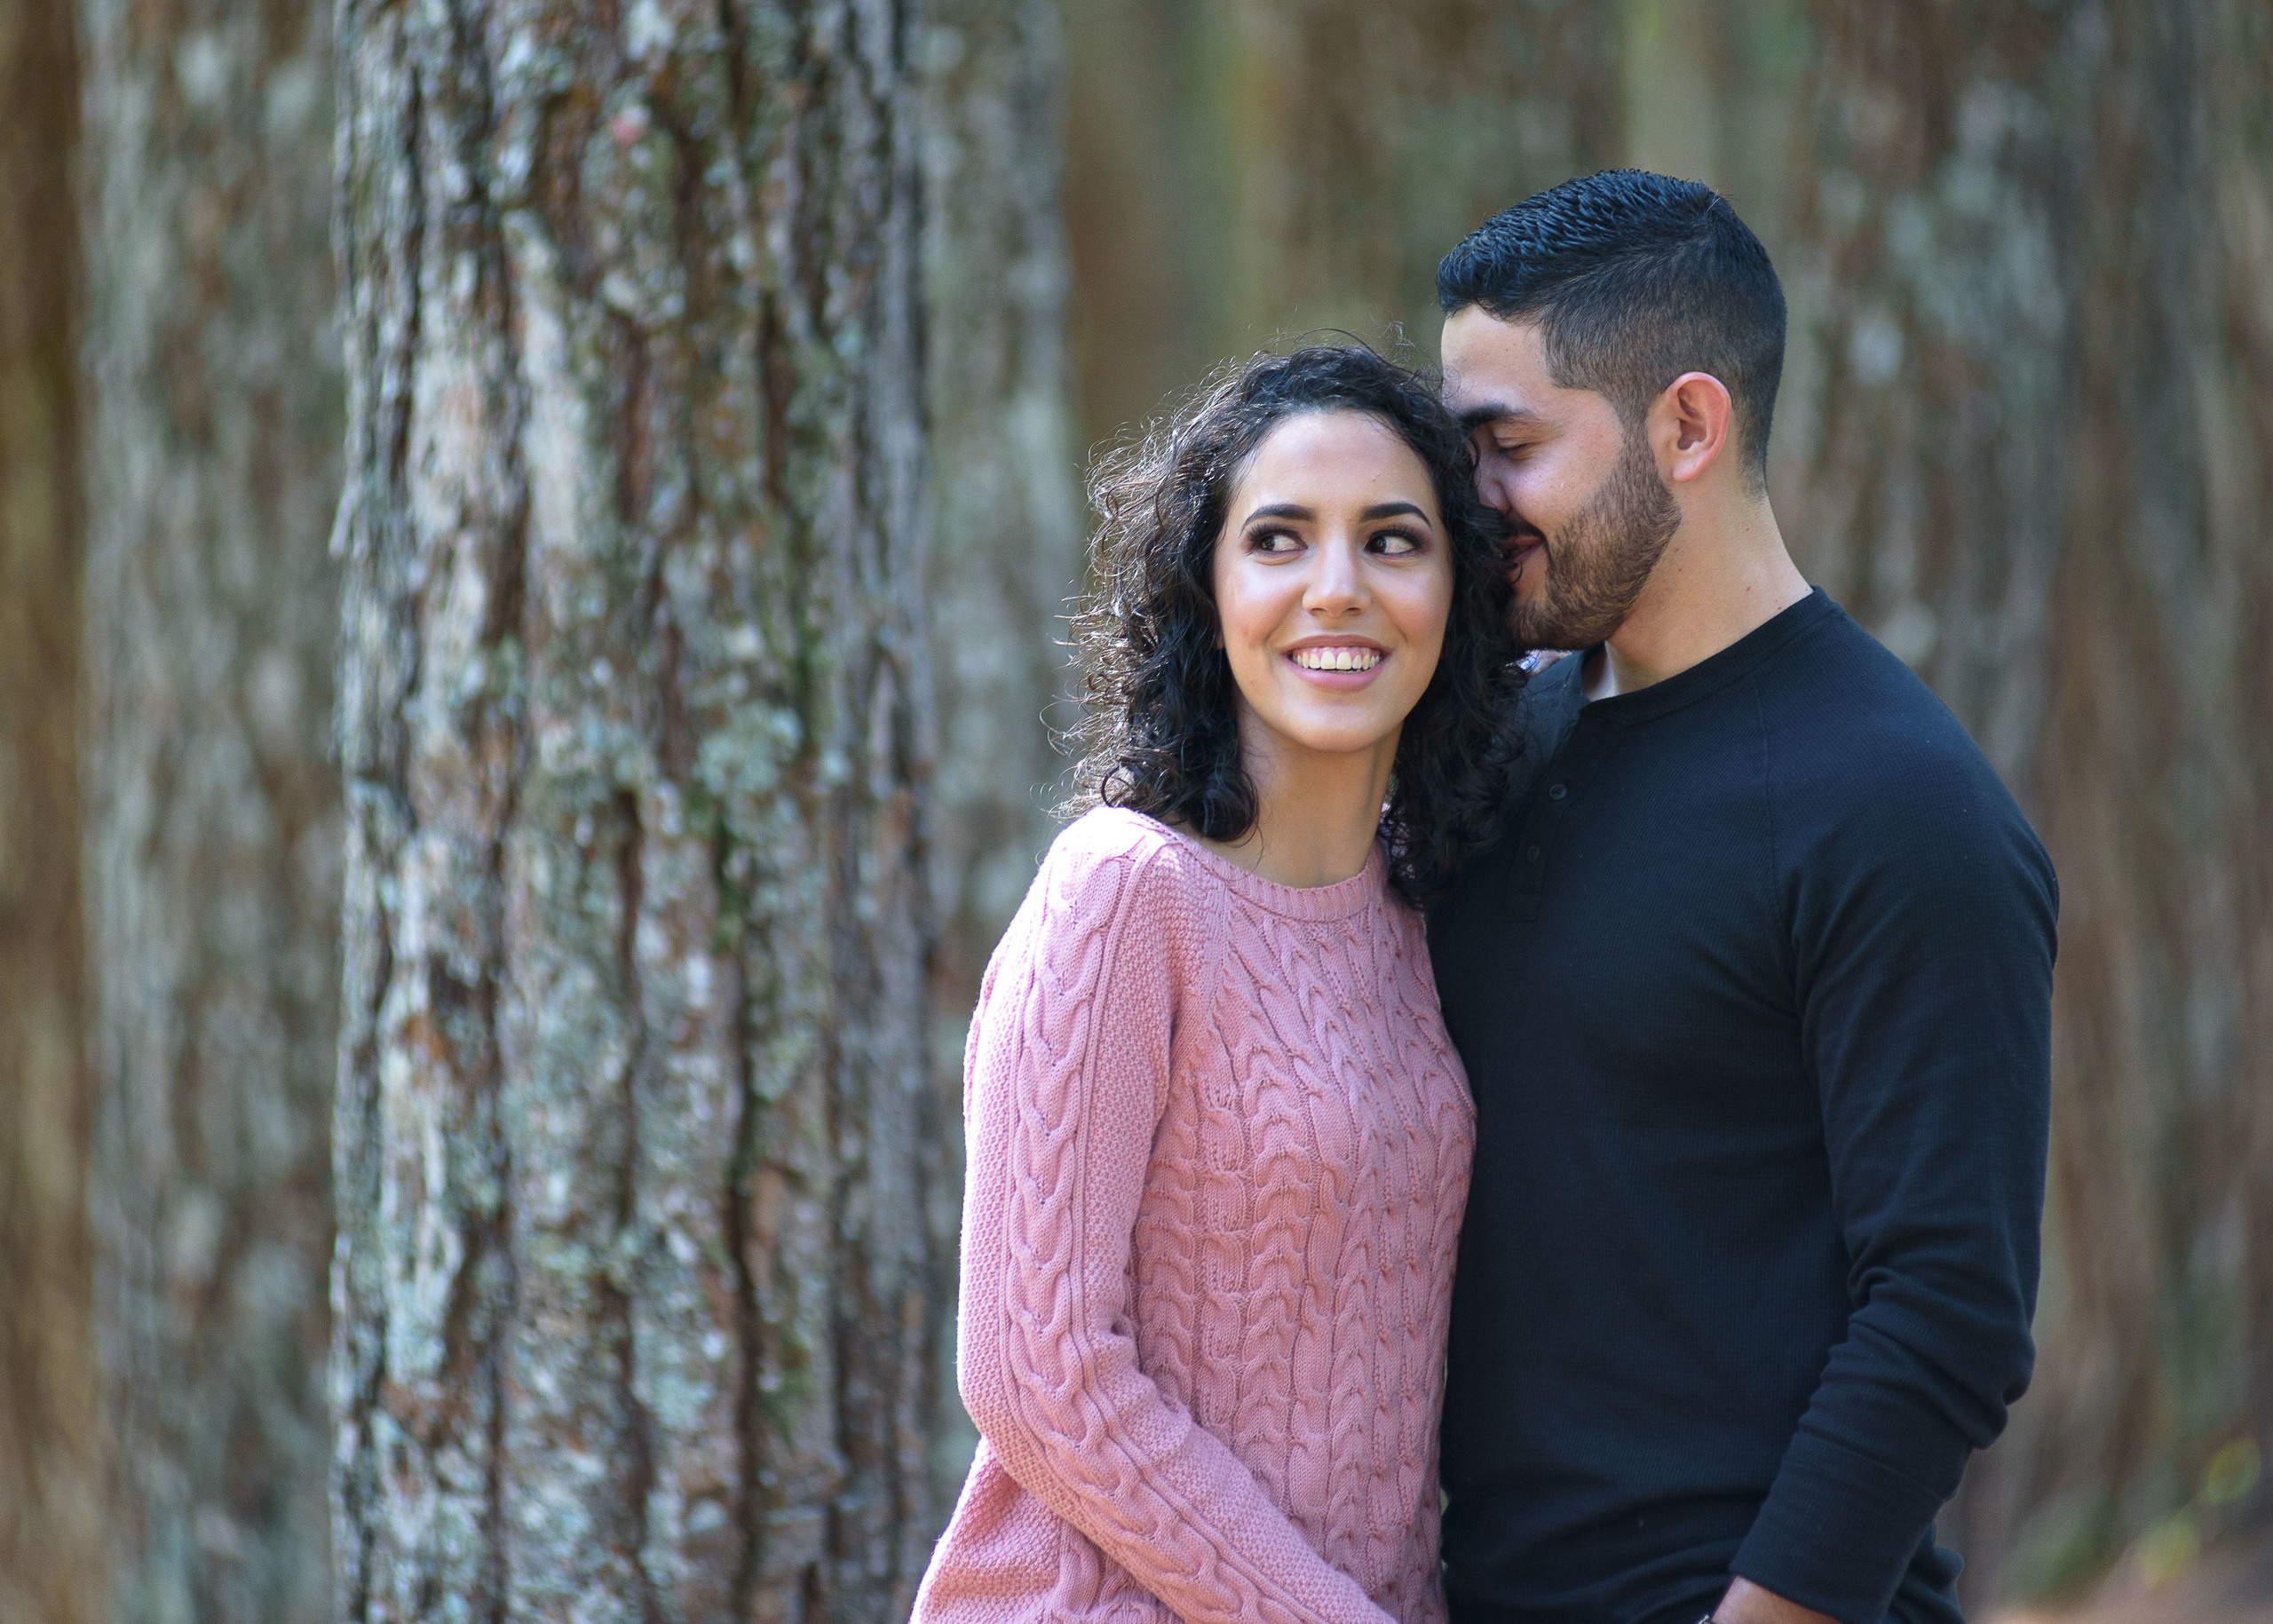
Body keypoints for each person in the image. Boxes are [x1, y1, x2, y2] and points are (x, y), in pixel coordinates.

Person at [1425, 170, 2059, 1624]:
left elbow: (1947, 1311)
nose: (1469, 504)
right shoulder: (1495, 738)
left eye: (1506, 446)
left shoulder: (1901, 808)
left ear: (1689, 426)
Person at [914, 345, 1522, 1624]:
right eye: (1281, 539)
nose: (1338, 589)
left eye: (1394, 540)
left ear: (1456, 587)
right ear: (1210, 585)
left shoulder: (1418, 917)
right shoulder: (1127, 892)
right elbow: (1035, 1371)